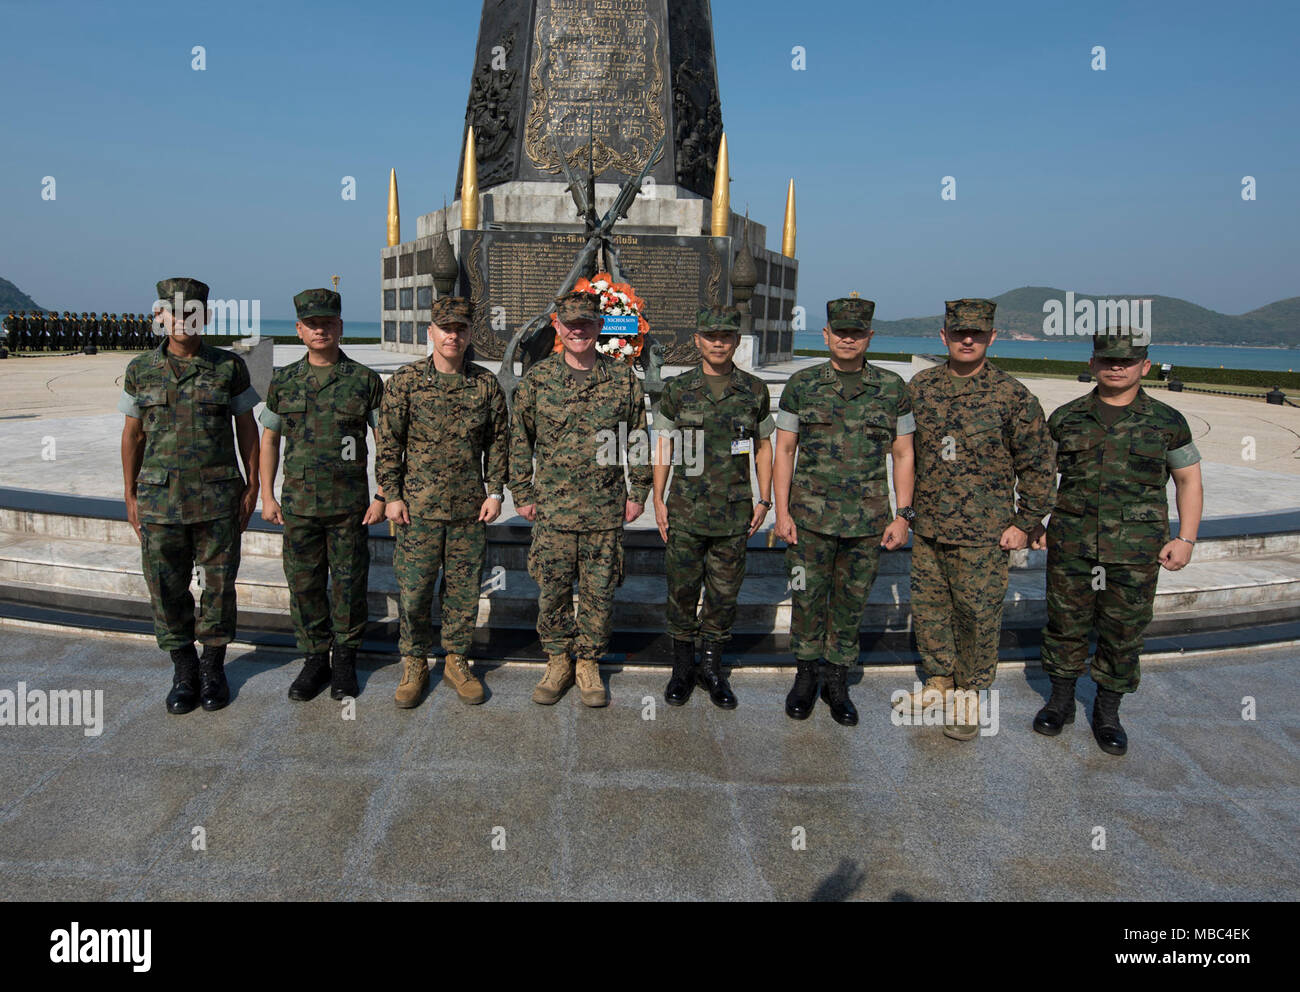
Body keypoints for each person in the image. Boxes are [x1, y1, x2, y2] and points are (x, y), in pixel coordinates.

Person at [1032, 328, 1203, 755]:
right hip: (1072, 544)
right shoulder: (1066, 418)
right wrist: (1034, 520)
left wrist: (1186, 538)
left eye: (1126, 362)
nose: (1116, 367)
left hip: (1135, 550)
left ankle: (1108, 712)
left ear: (1144, 367)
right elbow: (1040, 478)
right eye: (1107, 361)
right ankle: (1060, 702)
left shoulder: (1167, 422)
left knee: (1123, 632)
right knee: (1064, 626)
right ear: (1092, 365)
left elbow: (1188, 480)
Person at [898, 298, 1055, 740]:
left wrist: (1025, 522)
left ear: (992, 337)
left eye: (978, 334)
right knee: (930, 609)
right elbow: (903, 451)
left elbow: (1040, 463)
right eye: (959, 333)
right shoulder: (921, 388)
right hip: (929, 525)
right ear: (943, 337)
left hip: (986, 532)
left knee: (978, 614)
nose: (968, 340)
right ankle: (939, 681)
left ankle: (970, 693)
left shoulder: (1012, 395)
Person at [118, 277, 260, 714]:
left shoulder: (228, 367)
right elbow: (132, 435)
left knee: (219, 587)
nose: (183, 321)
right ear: (160, 317)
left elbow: (247, 428)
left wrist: (253, 484)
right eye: (174, 312)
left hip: (218, 499)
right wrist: (129, 494)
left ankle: (214, 667)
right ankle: (184, 670)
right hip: (159, 501)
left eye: (192, 312)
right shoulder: (141, 369)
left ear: (206, 317)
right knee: (165, 587)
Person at [773, 295, 915, 726]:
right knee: (807, 597)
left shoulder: (892, 388)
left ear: (869, 336)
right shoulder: (803, 384)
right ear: (827, 334)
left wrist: (902, 514)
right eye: (841, 332)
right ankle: (805, 676)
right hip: (809, 519)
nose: (848, 339)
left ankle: (837, 681)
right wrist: (781, 512)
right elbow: (784, 449)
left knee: (851, 603)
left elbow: (904, 454)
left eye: (857, 333)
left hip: (867, 521)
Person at [509, 289, 653, 707]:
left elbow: (638, 438)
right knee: (552, 589)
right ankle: (557, 660)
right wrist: (521, 491)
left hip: (604, 508)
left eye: (586, 324)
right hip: (552, 510)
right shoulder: (538, 379)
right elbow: (520, 439)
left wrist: (638, 491)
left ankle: (588, 662)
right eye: (570, 324)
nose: (578, 331)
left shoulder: (622, 378)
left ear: (598, 327)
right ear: (558, 328)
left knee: (599, 590)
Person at [378, 296, 508, 708]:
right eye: (445, 328)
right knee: (414, 592)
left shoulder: (485, 384)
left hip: (469, 510)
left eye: (461, 329)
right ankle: (414, 661)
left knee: (463, 591)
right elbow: (388, 443)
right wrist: (392, 495)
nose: (453, 335)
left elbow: (499, 442)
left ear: (470, 335)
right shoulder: (406, 382)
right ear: (430, 332)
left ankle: (455, 658)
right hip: (417, 509)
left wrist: (495, 491)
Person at [260, 288, 386, 701]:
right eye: (312, 324)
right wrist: (267, 494)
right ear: (299, 330)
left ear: (340, 328)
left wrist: (383, 494)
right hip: (298, 505)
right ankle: (315, 659)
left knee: (349, 583)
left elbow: (385, 439)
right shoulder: (284, 381)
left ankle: (345, 659)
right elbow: (269, 441)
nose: (320, 330)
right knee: (305, 583)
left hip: (349, 506)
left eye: (328, 323)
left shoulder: (364, 381)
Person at [652, 305, 773, 708]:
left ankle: (712, 669)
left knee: (723, 596)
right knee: (682, 592)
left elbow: (763, 447)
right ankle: (682, 669)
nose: (718, 343)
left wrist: (765, 498)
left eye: (726, 336)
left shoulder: (754, 390)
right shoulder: (678, 388)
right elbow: (664, 445)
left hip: (734, 511)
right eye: (711, 336)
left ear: (736, 341)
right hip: (685, 510)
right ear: (697, 340)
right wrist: (658, 498)